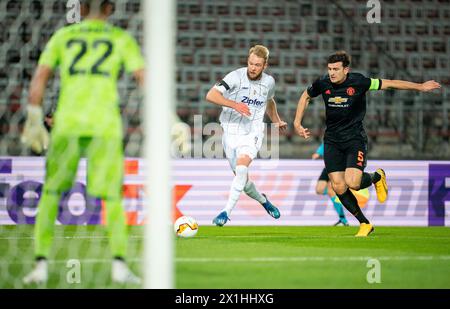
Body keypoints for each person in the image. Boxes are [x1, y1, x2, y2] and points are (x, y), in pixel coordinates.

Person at [22, 0, 143, 284]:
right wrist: (169, 118)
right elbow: (143, 77)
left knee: (51, 192)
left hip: (67, 123)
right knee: (112, 196)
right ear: (110, 8)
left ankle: (40, 264)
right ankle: (119, 265)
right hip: (105, 124)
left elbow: (40, 76)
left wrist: (34, 114)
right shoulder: (119, 38)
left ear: (82, 7)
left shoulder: (64, 36)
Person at [294, 51, 441, 237]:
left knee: (353, 183)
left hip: (354, 140)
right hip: (331, 141)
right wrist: (297, 123)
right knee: (338, 186)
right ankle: (364, 223)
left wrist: (419, 87)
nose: (332, 73)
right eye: (330, 69)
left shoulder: (359, 82)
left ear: (346, 69)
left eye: (336, 69)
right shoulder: (322, 83)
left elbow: (390, 84)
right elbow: (305, 96)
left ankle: (377, 177)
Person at [205, 45, 287, 226]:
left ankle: (225, 212)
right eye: (251, 63)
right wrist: (234, 105)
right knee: (243, 182)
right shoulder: (235, 76)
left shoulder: (269, 82)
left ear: (265, 65)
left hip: (253, 132)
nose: (253, 67)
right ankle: (264, 201)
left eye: (257, 65)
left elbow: (269, 101)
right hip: (230, 132)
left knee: (241, 170)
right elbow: (211, 95)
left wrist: (276, 120)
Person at [312, 142, 349, 226]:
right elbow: (323, 146)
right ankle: (334, 193)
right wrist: (317, 153)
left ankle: (342, 219)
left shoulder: (342, 139)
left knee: (331, 191)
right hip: (328, 167)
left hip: (338, 167)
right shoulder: (328, 139)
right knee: (319, 190)